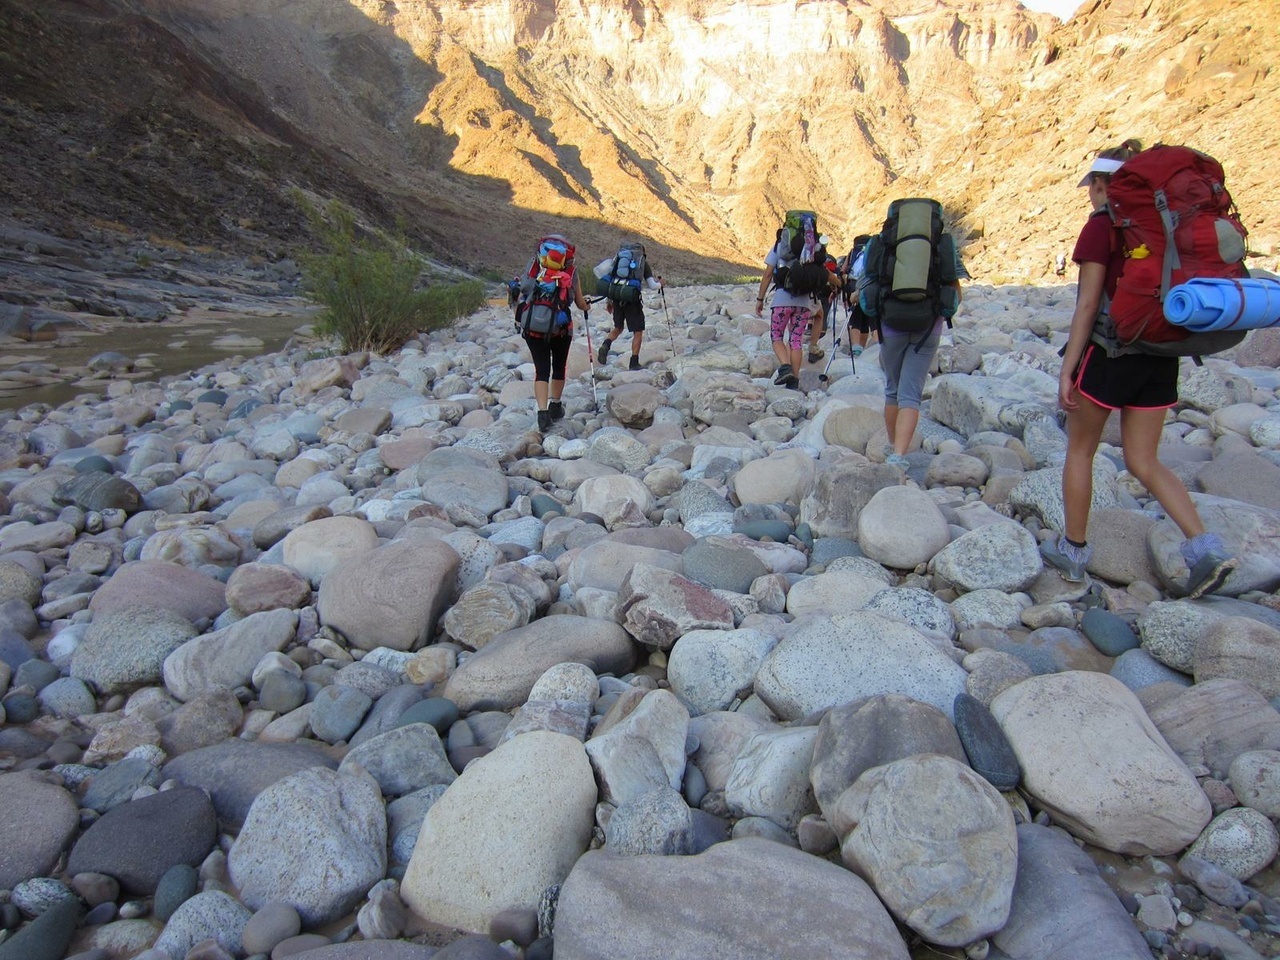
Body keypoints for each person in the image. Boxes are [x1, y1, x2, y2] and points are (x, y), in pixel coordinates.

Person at [1041, 139, 1237, 598]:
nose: (1090, 192)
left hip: (1111, 350)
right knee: (1144, 460)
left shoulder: (1101, 227)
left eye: (1093, 184)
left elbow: (1088, 304)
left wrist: (1068, 368)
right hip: (1160, 348)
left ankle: (1073, 555)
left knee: (1080, 451)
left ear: (1107, 184)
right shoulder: (1163, 225)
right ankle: (1205, 547)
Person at [873, 215, 967, 469]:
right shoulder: (942, 245)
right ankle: (900, 456)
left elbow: (867, 285)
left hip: (891, 326)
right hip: (928, 328)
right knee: (910, 394)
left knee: (893, 388)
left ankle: (892, 447)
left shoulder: (883, 244)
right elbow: (955, 294)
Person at [519, 242, 590, 433]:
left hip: (533, 328)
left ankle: (542, 413)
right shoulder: (571, 272)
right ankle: (556, 406)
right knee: (559, 367)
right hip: (560, 328)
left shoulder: (535, 268)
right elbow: (580, 302)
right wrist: (586, 306)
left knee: (541, 370)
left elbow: (523, 291)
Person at [755, 238, 839, 389]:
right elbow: (828, 274)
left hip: (781, 301)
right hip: (804, 303)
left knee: (777, 336)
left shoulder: (780, 246)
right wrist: (841, 284)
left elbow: (768, 274)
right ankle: (794, 380)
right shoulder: (812, 248)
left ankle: (785, 367)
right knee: (795, 340)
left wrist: (760, 298)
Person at [596, 249, 662, 371]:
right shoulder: (642, 262)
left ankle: (606, 345)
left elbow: (611, 279)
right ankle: (634, 362)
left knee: (618, 328)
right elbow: (652, 286)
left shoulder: (619, 260)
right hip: (632, 300)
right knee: (638, 331)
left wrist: (609, 301)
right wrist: (660, 284)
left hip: (617, 297)